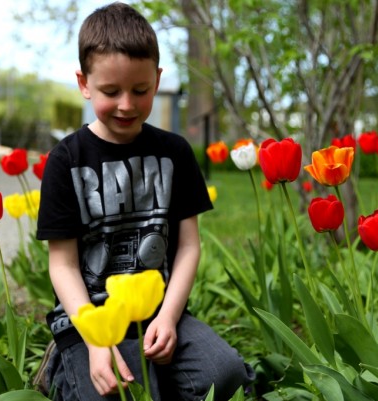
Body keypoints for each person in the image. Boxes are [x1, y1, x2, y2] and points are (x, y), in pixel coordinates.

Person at [36, 2, 255, 400]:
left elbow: (189, 246)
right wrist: (96, 341)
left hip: (157, 312)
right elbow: (63, 265)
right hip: (92, 321)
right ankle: (64, 366)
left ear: (156, 80)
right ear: (84, 83)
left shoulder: (175, 152)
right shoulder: (66, 160)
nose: (127, 104)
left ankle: (155, 373)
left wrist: (170, 317)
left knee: (226, 375)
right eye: (110, 91)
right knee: (120, 390)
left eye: (140, 90)